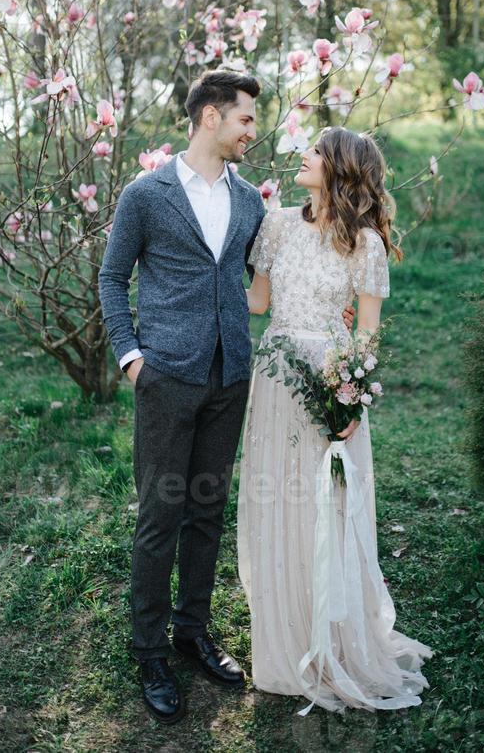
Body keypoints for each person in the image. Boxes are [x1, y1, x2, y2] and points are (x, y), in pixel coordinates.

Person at [98, 70, 356, 724]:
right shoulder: (146, 195)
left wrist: (337, 313)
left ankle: (192, 632)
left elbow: (272, 280)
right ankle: (149, 649)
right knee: (161, 518)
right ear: (211, 117)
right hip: (165, 379)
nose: (252, 131)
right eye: (244, 119)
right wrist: (132, 360)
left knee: (206, 513)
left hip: (230, 379)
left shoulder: (249, 203)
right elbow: (111, 276)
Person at [238, 126, 434, 715]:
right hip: (274, 378)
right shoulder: (275, 225)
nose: (306, 155)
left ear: (343, 168)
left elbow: (366, 332)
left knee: (326, 504)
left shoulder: (366, 245)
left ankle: (336, 642)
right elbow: (256, 302)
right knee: (278, 503)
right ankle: (285, 641)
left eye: (318, 151)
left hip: (330, 383)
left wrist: (351, 400)